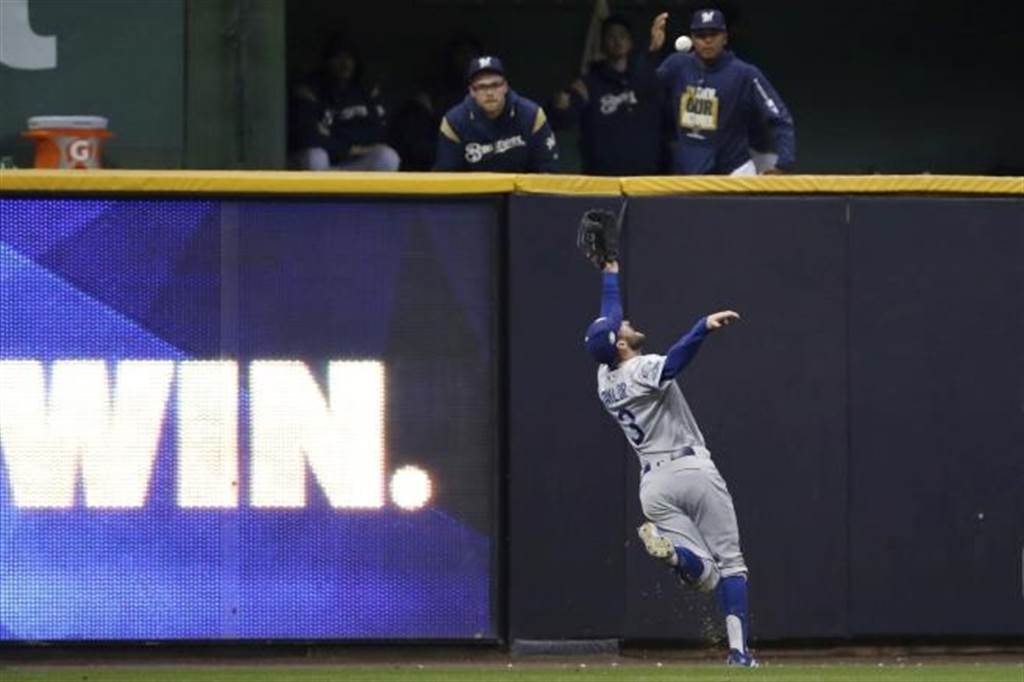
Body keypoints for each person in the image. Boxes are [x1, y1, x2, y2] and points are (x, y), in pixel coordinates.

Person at [583, 253, 757, 667]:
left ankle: (678, 556)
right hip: (689, 468)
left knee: (706, 578)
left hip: (654, 488)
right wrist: (703, 327)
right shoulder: (639, 368)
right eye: (622, 328)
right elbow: (675, 362)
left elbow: (610, 319)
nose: (626, 322)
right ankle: (739, 655)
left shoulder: (605, 377)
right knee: (732, 564)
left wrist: (610, 272)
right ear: (622, 345)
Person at [649, 8, 795, 175]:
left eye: (714, 34)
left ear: (725, 37)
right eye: (701, 35)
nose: (707, 40)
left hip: (736, 171)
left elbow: (779, 117)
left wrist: (784, 163)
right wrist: (652, 52)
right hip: (690, 172)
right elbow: (643, 91)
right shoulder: (677, 65)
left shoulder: (745, 73)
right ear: (692, 39)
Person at [549, 14, 666, 176]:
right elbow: (564, 122)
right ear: (602, 44)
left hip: (643, 179)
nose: (617, 41)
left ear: (630, 42)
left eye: (622, 36)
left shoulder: (644, 77)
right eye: (611, 36)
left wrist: (653, 47)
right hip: (602, 180)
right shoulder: (588, 83)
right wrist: (561, 107)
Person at [288, 35, 401, 171]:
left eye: (349, 58)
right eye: (338, 57)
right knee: (316, 157)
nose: (344, 63)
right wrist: (349, 147)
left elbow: (379, 133)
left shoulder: (365, 90)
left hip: (354, 164)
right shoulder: (311, 89)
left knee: (388, 157)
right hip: (323, 165)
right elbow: (307, 137)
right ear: (327, 61)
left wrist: (333, 134)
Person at [433, 56, 559, 172]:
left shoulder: (532, 115)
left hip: (522, 194)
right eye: (482, 87)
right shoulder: (454, 122)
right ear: (472, 91)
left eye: (495, 85)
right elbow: (446, 178)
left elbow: (548, 170)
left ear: (505, 86)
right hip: (474, 194)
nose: (489, 93)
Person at [390, 34, 485, 171]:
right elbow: (419, 145)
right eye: (462, 55)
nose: (466, 61)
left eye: (472, 56)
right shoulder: (433, 92)